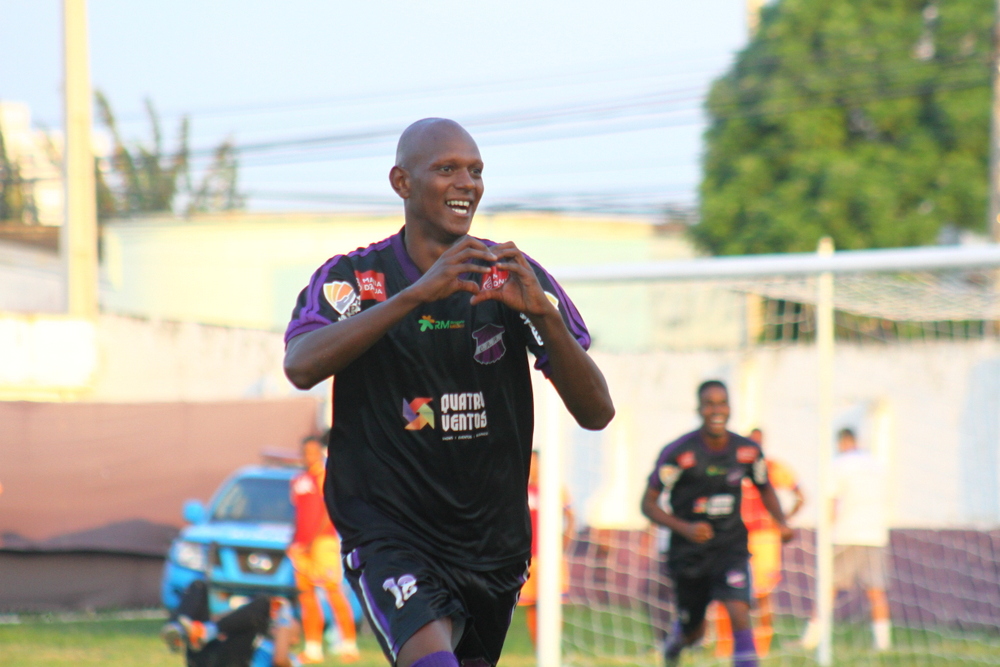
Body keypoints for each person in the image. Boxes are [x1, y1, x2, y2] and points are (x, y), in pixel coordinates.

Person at [283, 118, 615, 667]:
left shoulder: (510, 275)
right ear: (402, 182)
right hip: (391, 534)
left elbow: (597, 411)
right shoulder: (355, 278)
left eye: (476, 171)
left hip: (492, 545)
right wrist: (415, 296)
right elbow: (300, 366)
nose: (466, 183)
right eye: (447, 169)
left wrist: (542, 316)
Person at [640, 380, 792, 667]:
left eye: (722, 403)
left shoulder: (747, 451)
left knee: (739, 611)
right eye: (709, 404)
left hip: (730, 547)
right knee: (694, 631)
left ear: (730, 408)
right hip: (689, 553)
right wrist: (685, 528)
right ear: (699, 409)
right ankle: (675, 645)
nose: (716, 410)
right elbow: (647, 504)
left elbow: (765, 488)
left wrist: (781, 522)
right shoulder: (679, 453)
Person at [712, 428, 804, 658]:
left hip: (765, 538)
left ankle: (763, 645)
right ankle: (724, 645)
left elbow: (800, 495)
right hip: (734, 536)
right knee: (728, 590)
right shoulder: (731, 466)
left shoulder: (773, 467)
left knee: (763, 593)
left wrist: (783, 521)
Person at [800, 427, 891, 652]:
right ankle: (883, 643)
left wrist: (825, 534)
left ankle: (811, 639)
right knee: (876, 591)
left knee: (829, 588)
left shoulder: (838, 464)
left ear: (841, 443)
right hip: (875, 535)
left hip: (847, 534)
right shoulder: (876, 465)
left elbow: (832, 502)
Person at [288, 434, 359, 663]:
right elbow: (298, 514)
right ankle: (313, 648)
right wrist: (294, 541)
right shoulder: (299, 480)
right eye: (305, 452)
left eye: (312, 452)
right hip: (301, 545)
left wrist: (313, 540)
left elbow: (330, 511)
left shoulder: (325, 477)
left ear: (320, 452)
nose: (308, 456)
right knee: (306, 595)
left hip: (323, 543)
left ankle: (349, 645)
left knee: (332, 591)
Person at [161, 579, 301, 667]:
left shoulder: (292, 660)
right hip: (207, 654)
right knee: (198, 586)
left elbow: (280, 660)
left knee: (264, 602)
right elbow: (229, 619)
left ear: (295, 639)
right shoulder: (260, 632)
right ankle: (178, 631)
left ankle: (205, 632)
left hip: (233, 662)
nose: (281, 622)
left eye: (291, 622)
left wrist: (284, 618)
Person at [517, 450, 575, 645]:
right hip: (527, 557)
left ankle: (553, 646)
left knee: (552, 603)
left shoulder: (554, 488)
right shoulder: (520, 489)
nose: (532, 467)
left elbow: (570, 517)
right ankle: (539, 648)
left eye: (535, 463)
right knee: (532, 604)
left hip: (550, 557)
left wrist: (564, 542)